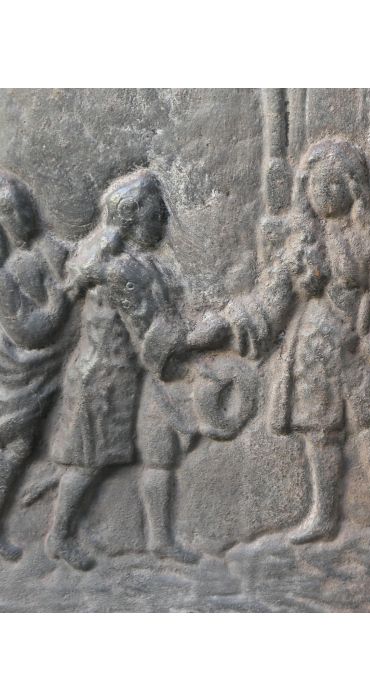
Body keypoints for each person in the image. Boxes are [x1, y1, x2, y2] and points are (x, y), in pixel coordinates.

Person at [229, 138, 370, 543]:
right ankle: (324, 513)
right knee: (319, 432)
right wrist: (240, 319)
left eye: (334, 184)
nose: (326, 193)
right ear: (305, 190)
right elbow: (272, 296)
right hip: (312, 346)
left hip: (356, 344)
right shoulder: (301, 243)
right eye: (317, 185)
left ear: (354, 187)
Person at [46, 171, 227, 571]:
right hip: (103, 380)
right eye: (157, 214)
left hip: (131, 377)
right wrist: (202, 337)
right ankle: (58, 535)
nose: (163, 221)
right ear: (131, 217)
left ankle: (159, 539)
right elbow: (150, 334)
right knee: (87, 462)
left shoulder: (135, 263)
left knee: (158, 455)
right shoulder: (120, 270)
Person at [0, 171, 70, 561]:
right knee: (13, 440)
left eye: (24, 207)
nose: (23, 217)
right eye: (10, 211)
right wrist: (59, 303)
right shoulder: (3, 277)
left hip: (29, 371)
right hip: (16, 371)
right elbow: (28, 332)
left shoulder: (32, 256)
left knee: (18, 446)